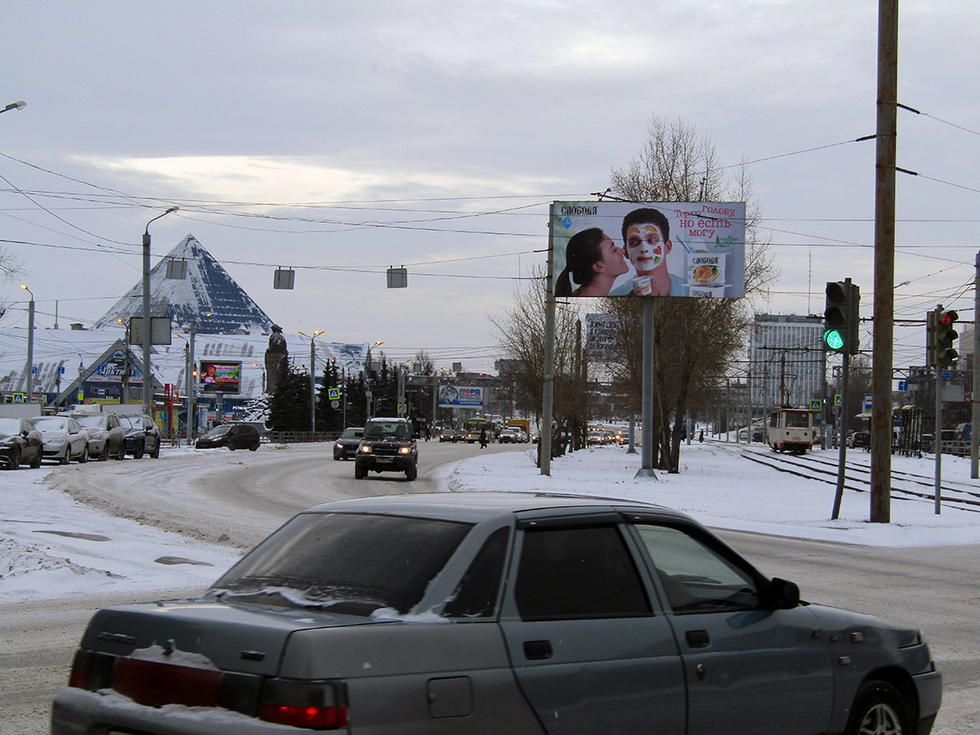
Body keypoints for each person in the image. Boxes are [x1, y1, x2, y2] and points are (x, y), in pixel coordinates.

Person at [618, 208, 682, 297]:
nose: (644, 249)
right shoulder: (618, 293)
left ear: (667, 247)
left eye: (652, 240)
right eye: (634, 242)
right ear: (626, 252)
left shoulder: (689, 289)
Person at [555, 228, 628, 297]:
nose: (622, 251)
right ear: (598, 266)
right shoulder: (590, 301)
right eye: (614, 250)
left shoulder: (585, 297)